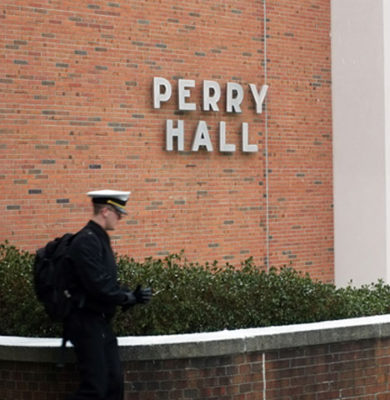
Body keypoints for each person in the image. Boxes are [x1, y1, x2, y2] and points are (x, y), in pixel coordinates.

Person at [64, 189, 152, 400]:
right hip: (86, 323)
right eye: (118, 212)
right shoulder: (86, 241)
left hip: (100, 324)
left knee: (113, 385)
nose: (120, 216)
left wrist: (131, 295)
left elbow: (106, 282)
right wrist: (127, 297)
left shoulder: (98, 238)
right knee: (95, 388)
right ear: (105, 210)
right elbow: (98, 285)